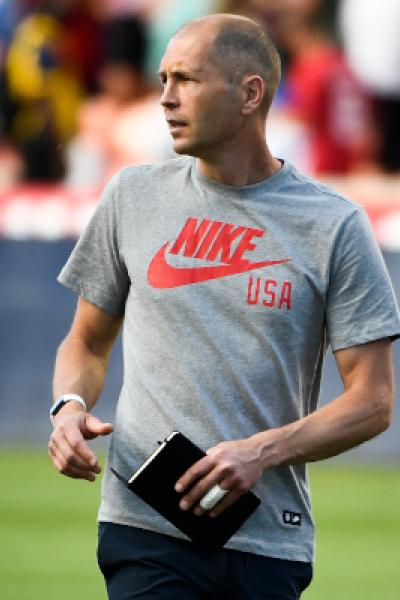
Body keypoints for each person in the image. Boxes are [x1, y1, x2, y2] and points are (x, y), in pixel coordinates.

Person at [48, 13, 400, 600]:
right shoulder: (133, 196)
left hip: (268, 542)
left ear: (250, 93)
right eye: (163, 79)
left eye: (185, 79)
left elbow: (373, 401)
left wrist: (262, 451)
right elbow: (85, 341)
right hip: (146, 530)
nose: (165, 98)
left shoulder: (334, 225)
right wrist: (68, 407)